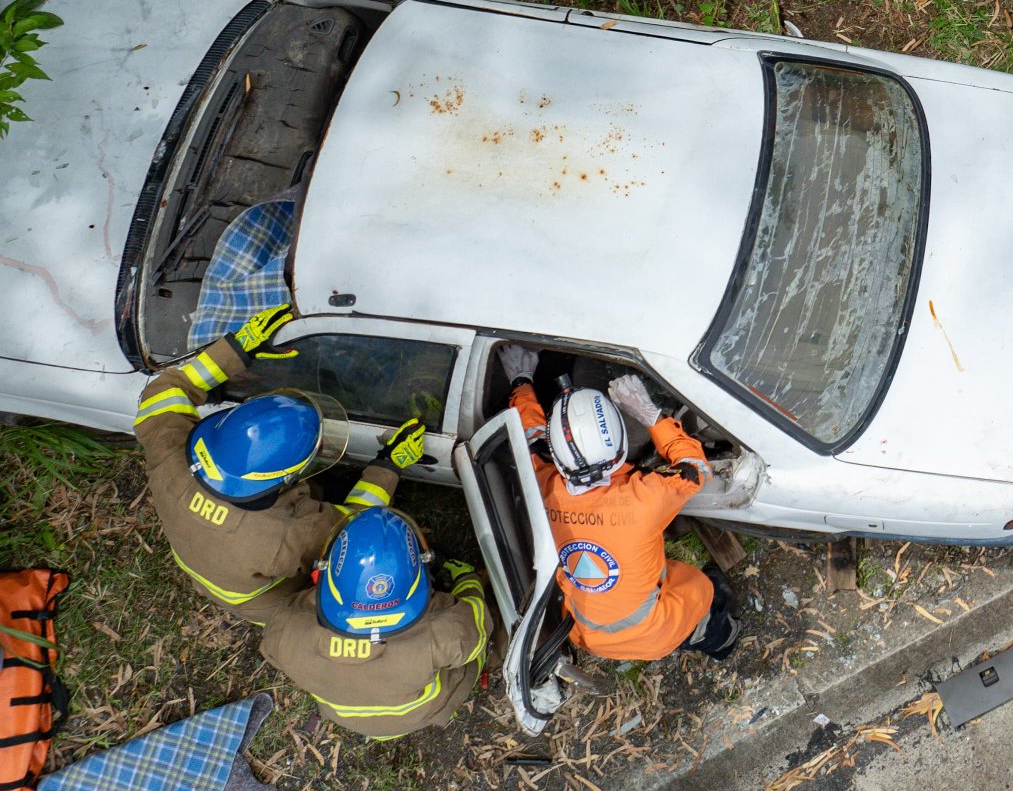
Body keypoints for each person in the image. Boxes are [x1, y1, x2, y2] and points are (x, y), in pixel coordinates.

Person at [132, 302, 427, 620]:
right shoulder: (289, 535)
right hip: (261, 600)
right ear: (284, 480)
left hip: (197, 552)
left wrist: (237, 349)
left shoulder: (168, 452)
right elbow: (355, 528)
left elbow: (166, 389)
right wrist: (388, 466)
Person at [499, 347, 740, 663]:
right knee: (704, 588)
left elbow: (529, 436)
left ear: (555, 453)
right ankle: (718, 638)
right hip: (655, 633)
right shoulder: (644, 500)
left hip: (587, 635)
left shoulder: (543, 486)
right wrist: (649, 413)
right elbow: (697, 467)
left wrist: (521, 381)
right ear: (621, 444)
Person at [251, 507, 490, 739]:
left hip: (344, 716)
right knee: (486, 645)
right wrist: (467, 580)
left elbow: (273, 650)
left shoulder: (285, 630)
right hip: (417, 714)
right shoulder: (444, 633)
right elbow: (478, 632)